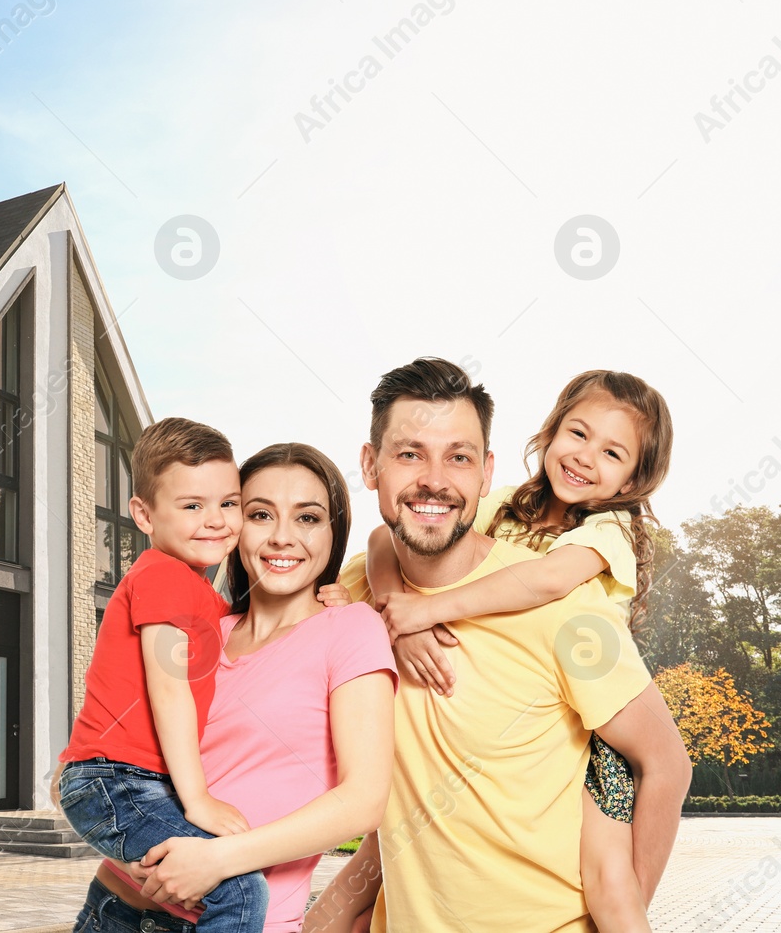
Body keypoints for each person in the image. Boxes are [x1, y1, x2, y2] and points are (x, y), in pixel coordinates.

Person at [314, 357, 689, 932]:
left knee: (612, 885)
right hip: (420, 842)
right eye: (578, 434)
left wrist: (427, 611)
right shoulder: (498, 509)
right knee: (379, 850)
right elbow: (392, 533)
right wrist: (396, 613)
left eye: (613, 453)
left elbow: (545, 581)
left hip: (598, 739)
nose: (587, 458)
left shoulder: (593, 554)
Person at [66, 443, 397, 932]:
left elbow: (364, 800)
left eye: (307, 518)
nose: (283, 537)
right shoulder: (199, 630)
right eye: (261, 514)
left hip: (234, 918)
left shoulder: (351, 628)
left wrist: (219, 861)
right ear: (235, 525)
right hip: (113, 907)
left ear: (334, 532)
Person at [56, 417, 269, 932]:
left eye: (228, 503)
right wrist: (197, 801)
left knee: (177, 895)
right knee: (240, 887)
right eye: (192, 506)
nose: (216, 520)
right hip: (118, 780)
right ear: (144, 515)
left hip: (123, 781)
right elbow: (169, 688)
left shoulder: (206, 598)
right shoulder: (162, 575)